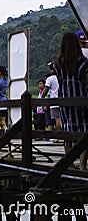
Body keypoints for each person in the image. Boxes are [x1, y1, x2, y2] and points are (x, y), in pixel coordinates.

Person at [53, 32, 88, 170]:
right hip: (81, 100)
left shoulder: (57, 64)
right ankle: (83, 165)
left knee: (68, 131)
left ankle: (70, 163)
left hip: (65, 102)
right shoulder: (83, 63)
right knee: (84, 131)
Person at [41, 63, 62, 133]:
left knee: (57, 120)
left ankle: (60, 137)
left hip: (54, 102)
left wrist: (42, 97)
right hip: (63, 100)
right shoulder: (61, 77)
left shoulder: (50, 79)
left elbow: (46, 89)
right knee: (62, 119)